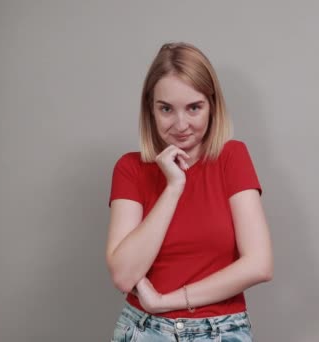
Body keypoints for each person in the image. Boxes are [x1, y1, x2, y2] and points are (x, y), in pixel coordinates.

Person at [106, 42, 273, 342]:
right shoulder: (130, 169)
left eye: (194, 107)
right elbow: (124, 275)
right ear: (151, 109)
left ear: (212, 105)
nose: (181, 125)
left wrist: (165, 302)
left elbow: (259, 264)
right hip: (144, 330)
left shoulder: (231, 158)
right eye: (166, 109)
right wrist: (173, 187)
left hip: (221, 330)